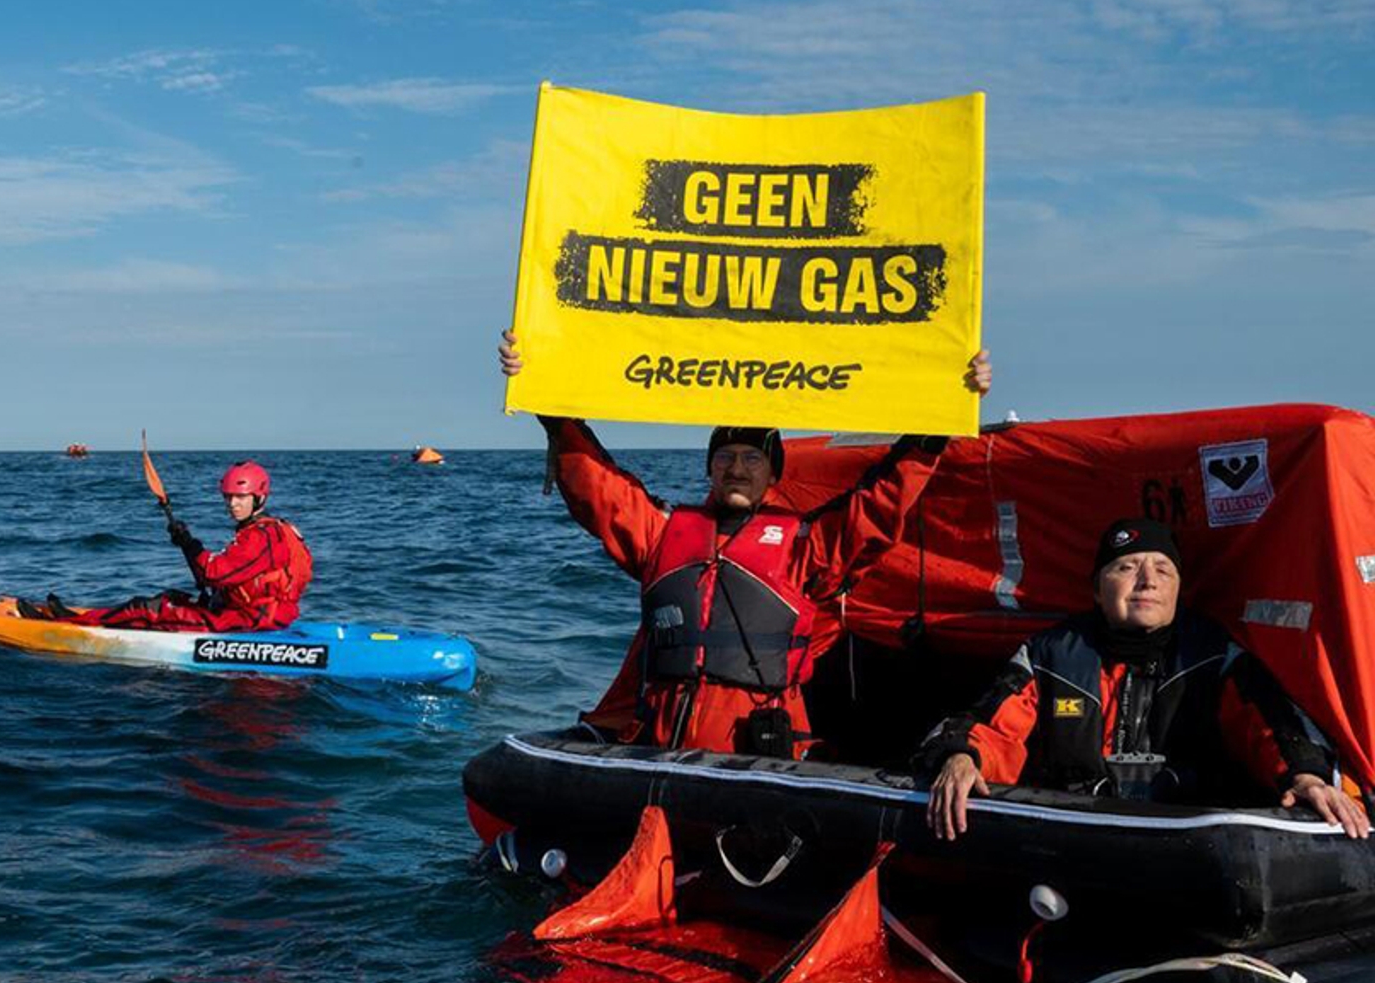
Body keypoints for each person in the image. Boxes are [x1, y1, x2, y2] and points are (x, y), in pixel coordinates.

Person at [498, 330, 992, 756]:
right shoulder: (663, 533)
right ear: (709, 468)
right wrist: (548, 403)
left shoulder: (807, 547)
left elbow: (881, 504)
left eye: (752, 459)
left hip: (758, 751)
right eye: (726, 457)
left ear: (772, 473)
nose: (737, 468)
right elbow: (598, 491)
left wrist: (940, 418)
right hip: (659, 743)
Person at [921, 517, 1370, 840]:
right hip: (1073, 840)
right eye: (1126, 567)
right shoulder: (1048, 654)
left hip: (1188, 848)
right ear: (1097, 589)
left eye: (1162, 569)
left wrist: (1306, 777)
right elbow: (992, 722)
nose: (1146, 581)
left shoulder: (1215, 655)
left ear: (1178, 589)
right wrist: (962, 757)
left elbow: (1273, 727)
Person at [22, 460, 314, 633]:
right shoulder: (267, 532)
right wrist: (186, 543)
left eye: (241, 497)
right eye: (228, 497)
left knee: (149, 610)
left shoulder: (261, 536)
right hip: (250, 614)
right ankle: (83, 619)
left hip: (249, 621)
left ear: (259, 498)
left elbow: (214, 573)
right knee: (167, 598)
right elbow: (207, 580)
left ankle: (68, 628)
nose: (233, 504)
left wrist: (189, 542)